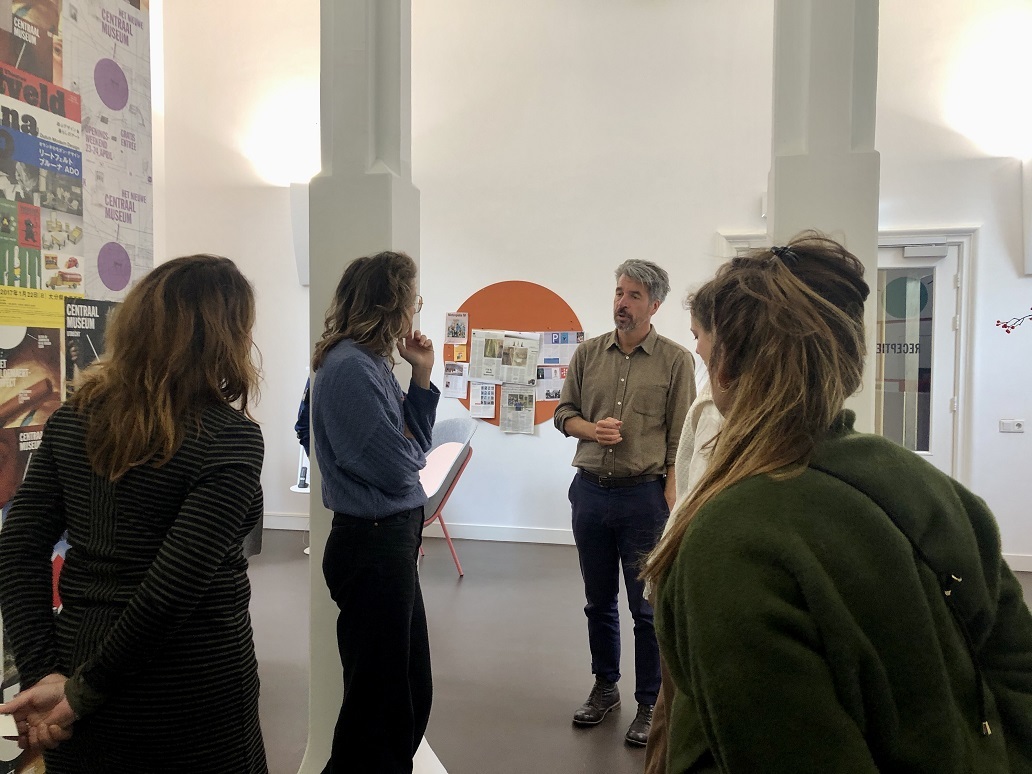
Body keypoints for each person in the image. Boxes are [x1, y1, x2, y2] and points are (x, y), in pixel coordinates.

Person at [645, 232, 1032, 773]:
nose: (700, 356)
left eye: (704, 346)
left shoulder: (730, 539)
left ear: (726, 367)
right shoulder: (935, 490)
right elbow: (1016, 665)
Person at [0, 255, 268, 772]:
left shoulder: (73, 421)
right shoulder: (230, 439)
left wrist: (48, 678)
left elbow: (17, 546)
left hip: (79, 668)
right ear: (224, 336)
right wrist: (76, 695)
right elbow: (170, 593)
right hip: (190, 690)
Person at [554, 259, 694, 747]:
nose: (622, 302)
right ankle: (605, 687)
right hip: (590, 491)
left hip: (643, 498)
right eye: (619, 292)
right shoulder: (589, 354)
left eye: (634, 295)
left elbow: (681, 435)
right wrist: (590, 429)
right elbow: (562, 413)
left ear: (654, 305)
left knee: (647, 609)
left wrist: (672, 486)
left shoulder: (677, 361)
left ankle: (649, 702)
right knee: (598, 602)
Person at [311, 250, 438, 774]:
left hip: (388, 539)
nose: (417, 309)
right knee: (379, 704)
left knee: (405, 687)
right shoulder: (350, 369)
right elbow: (400, 468)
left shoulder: (371, 364)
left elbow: (416, 446)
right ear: (391, 305)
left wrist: (422, 377)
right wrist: (409, 450)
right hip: (372, 545)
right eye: (413, 299)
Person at [643, 283, 723, 774]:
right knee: (668, 720)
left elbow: (688, 471)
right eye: (618, 291)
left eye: (701, 335)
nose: (696, 346)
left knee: (684, 720)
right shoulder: (713, 399)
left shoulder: (717, 402)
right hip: (678, 580)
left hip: (700, 593)